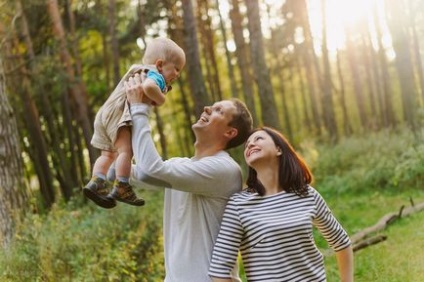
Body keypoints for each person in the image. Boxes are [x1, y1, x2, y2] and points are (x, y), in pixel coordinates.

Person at [125, 73, 253, 281]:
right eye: (212, 105)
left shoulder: (225, 169)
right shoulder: (180, 166)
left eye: (219, 110)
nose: (207, 109)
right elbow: (135, 173)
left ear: (230, 132)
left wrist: (140, 109)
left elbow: (151, 169)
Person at [209, 127, 354, 282]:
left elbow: (341, 242)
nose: (250, 144)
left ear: (278, 149)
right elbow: (219, 269)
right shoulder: (238, 205)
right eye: (247, 144)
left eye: (258, 139)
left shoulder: (306, 194)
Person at [83, 37, 186, 209]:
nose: (178, 75)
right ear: (160, 64)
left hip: (104, 115)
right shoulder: (155, 74)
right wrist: (161, 100)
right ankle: (122, 185)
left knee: (107, 155)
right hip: (119, 114)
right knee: (126, 151)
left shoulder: (137, 71)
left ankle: (96, 182)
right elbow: (149, 88)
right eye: (176, 69)